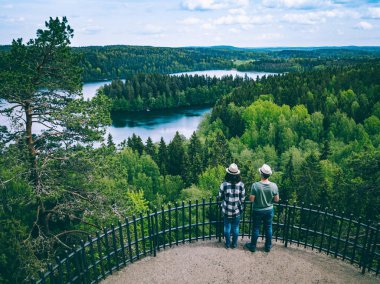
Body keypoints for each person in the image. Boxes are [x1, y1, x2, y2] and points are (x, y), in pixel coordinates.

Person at [244, 164, 279, 252]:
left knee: (256, 228)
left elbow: (251, 199)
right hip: (269, 210)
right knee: (268, 228)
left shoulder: (255, 185)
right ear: (269, 175)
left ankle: (253, 246)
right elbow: (277, 199)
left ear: (261, 174)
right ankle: (268, 246)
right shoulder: (274, 186)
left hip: (257, 210)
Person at [218, 163, 245, 249]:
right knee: (236, 228)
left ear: (228, 174)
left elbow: (220, 196)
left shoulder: (224, 185)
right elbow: (243, 198)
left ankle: (227, 244)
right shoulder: (241, 185)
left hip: (226, 210)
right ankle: (234, 244)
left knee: (227, 227)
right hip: (237, 210)